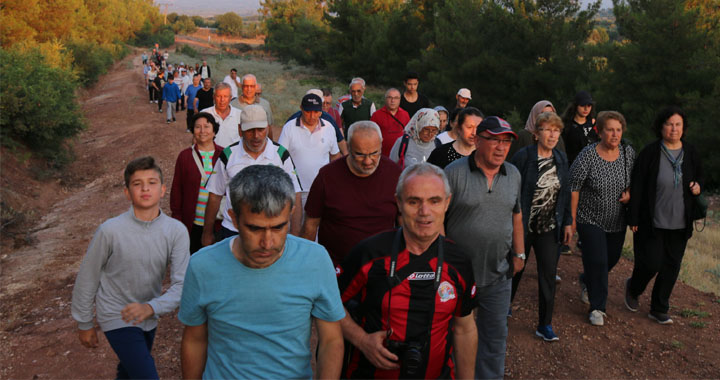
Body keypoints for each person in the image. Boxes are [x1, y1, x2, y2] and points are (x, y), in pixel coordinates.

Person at [179, 165, 345, 379]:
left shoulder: (315, 260)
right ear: (234, 219)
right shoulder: (203, 265)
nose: (267, 243)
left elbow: (331, 340)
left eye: (278, 227)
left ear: (291, 213)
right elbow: (195, 339)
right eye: (255, 229)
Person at [337, 163, 477, 379]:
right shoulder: (368, 254)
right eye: (414, 201)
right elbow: (329, 306)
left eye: (434, 201)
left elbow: (464, 328)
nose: (424, 212)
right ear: (399, 203)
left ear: (447, 203)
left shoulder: (459, 261)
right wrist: (362, 341)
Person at [71, 156, 189, 380]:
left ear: (163, 189)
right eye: (137, 183)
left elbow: (182, 284)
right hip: (116, 313)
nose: (145, 188)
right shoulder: (110, 231)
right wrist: (84, 322)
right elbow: (89, 276)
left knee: (129, 372)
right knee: (145, 375)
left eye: (152, 182)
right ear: (127, 192)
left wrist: (152, 307)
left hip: (148, 315)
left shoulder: (176, 231)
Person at [444, 116, 523, 380]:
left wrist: (519, 254)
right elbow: (439, 219)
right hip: (457, 276)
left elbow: (517, 215)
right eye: (494, 140)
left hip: (498, 273)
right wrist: (442, 262)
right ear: (478, 140)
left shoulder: (513, 174)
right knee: (453, 335)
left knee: (494, 339)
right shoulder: (453, 173)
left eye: (506, 142)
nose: (501, 148)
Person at [626, 106, 704, 324]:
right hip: (652, 220)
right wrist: (633, 218)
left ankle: (659, 308)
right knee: (650, 263)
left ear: (684, 128)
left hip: (680, 221)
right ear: (661, 127)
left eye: (678, 124)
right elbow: (638, 185)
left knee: (671, 265)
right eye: (669, 124)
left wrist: (698, 186)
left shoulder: (691, 152)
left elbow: (699, 177)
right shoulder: (650, 153)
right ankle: (633, 288)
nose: (674, 129)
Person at [301, 121, 402, 265]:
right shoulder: (327, 176)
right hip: (337, 268)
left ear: (381, 144)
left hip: (381, 268)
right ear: (348, 147)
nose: (368, 161)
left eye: (374, 153)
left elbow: (404, 220)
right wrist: (304, 264)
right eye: (360, 154)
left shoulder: (395, 175)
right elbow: (310, 224)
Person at [201, 105, 303, 246]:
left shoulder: (280, 155)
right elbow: (214, 195)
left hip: (270, 232)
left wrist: (295, 234)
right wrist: (207, 233)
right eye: (250, 130)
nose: (256, 136)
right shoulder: (228, 155)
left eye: (261, 130)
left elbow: (296, 194)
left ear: (267, 128)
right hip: (233, 231)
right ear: (240, 130)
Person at [509, 112, 572, 341]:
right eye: (547, 129)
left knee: (548, 275)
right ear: (536, 134)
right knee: (516, 268)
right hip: (523, 226)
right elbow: (510, 186)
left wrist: (567, 222)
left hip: (549, 227)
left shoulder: (561, 158)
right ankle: (504, 307)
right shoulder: (524, 157)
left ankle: (544, 324)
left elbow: (564, 193)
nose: (552, 134)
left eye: (556, 130)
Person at [570, 111, 635, 326]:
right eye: (610, 130)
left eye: (618, 130)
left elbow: (636, 180)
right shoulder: (588, 155)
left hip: (617, 221)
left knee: (611, 259)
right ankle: (598, 307)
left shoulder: (628, 153)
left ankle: (588, 280)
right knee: (597, 260)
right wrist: (571, 219)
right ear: (599, 131)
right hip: (589, 219)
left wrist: (630, 192)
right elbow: (574, 186)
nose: (615, 134)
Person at [170, 113, 224, 253]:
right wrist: (177, 219)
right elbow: (177, 189)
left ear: (214, 130)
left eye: (207, 126)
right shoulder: (185, 156)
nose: (202, 131)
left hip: (219, 223)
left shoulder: (224, 155)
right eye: (198, 127)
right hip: (193, 223)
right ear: (193, 130)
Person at [278, 94, 342, 210]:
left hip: (321, 190)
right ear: (301, 108)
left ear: (321, 111)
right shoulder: (289, 128)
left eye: (316, 112)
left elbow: (335, 156)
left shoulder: (329, 128)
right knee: (296, 226)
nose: (312, 116)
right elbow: (280, 157)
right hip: (295, 190)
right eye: (308, 112)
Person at [370, 88, 410, 157]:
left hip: (401, 156)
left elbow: (409, 134)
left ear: (400, 100)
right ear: (385, 99)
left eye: (396, 98)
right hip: (382, 155)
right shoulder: (376, 115)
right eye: (390, 97)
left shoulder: (405, 114)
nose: (393, 101)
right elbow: (371, 136)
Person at [200, 82, 241, 147]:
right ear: (213, 97)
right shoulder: (204, 114)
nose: (222, 100)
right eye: (219, 96)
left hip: (233, 156)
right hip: (210, 155)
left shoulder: (240, 115)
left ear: (230, 98)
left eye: (225, 96)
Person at [562, 90, 597, 164]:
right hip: (573, 166)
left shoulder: (594, 124)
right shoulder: (566, 126)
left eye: (589, 105)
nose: (586, 108)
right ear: (575, 106)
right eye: (582, 105)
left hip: (593, 166)